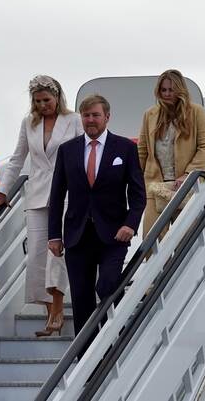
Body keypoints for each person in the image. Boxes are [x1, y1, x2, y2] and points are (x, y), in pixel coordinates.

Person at [47, 94, 146, 342]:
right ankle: (87, 361)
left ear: (107, 117)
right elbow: (57, 196)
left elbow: (137, 195)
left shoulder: (125, 148)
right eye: (86, 115)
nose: (91, 120)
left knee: (107, 286)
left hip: (113, 234)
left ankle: (115, 336)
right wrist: (54, 235)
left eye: (95, 115)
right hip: (77, 236)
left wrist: (130, 225)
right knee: (81, 300)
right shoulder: (67, 151)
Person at [0, 75, 83, 337]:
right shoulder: (28, 124)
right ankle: (48, 311)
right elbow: (17, 159)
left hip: (67, 193)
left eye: (47, 100)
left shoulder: (73, 120)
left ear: (57, 98)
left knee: (57, 252)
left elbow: (82, 153)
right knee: (36, 255)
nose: (43, 105)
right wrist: (1, 191)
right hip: (37, 194)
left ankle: (56, 309)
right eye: (38, 101)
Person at [137, 69, 205, 236]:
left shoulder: (196, 111)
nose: (167, 94)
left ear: (180, 90)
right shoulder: (150, 114)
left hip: (187, 184)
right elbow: (142, 150)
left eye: (171, 90)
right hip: (155, 185)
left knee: (185, 239)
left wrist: (188, 174)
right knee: (151, 240)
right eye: (163, 90)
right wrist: (135, 178)